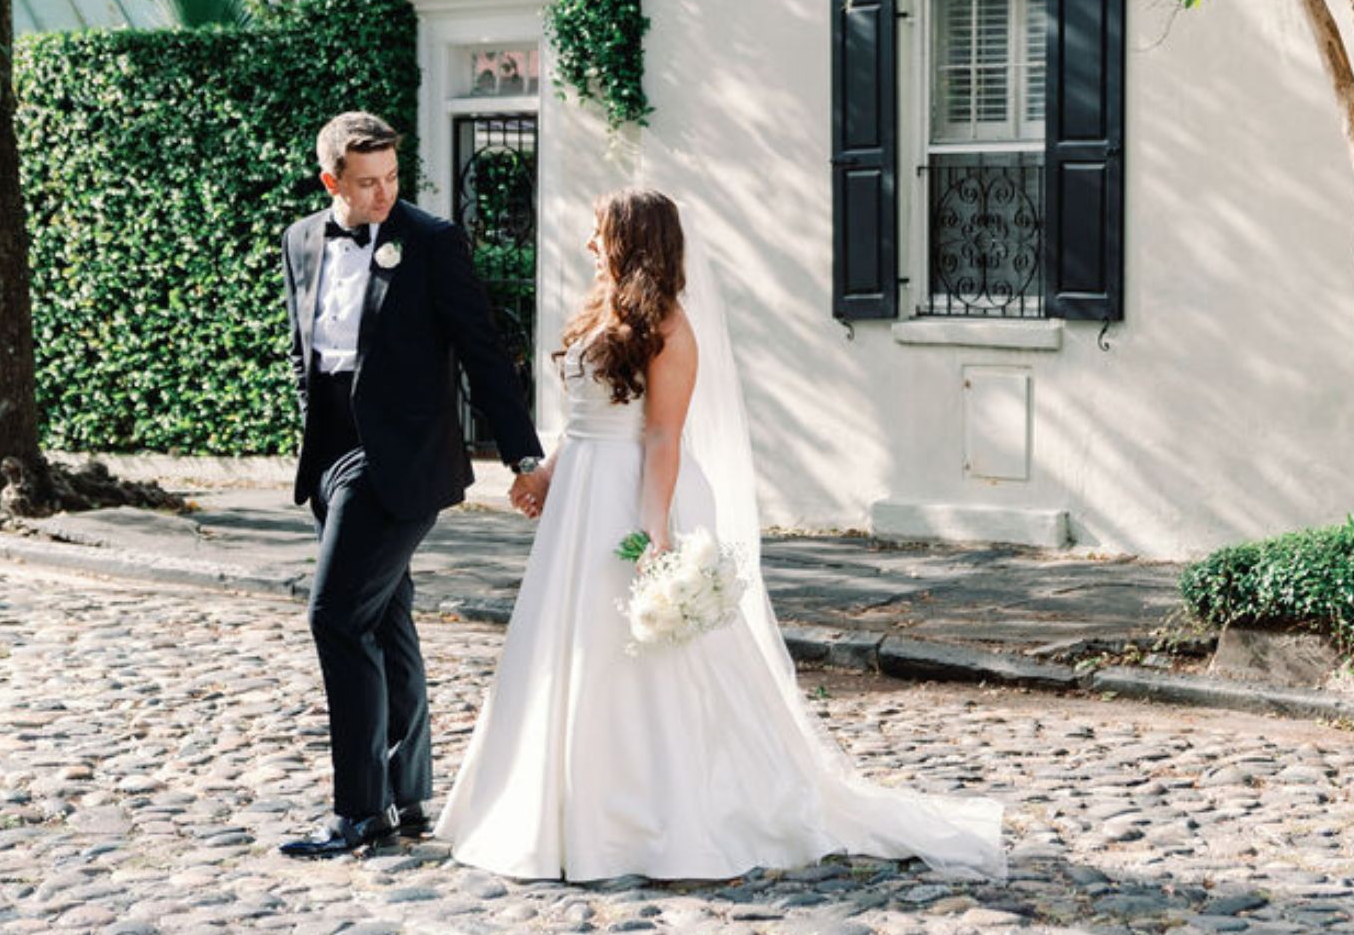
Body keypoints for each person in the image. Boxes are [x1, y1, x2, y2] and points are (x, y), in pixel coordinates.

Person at [435, 187, 1004, 881]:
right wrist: (548, 475)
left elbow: (664, 435)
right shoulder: (600, 310)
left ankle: (651, 814)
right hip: (579, 490)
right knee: (567, 645)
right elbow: (588, 416)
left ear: (632, 241)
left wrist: (655, 532)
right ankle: (555, 810)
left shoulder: (671, 329)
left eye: (598, 233)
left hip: (626, 495)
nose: (588, 245)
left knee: (640, 658)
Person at [277, 111, 546, 859]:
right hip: (329, 452)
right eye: (367, 183)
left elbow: (481, 352)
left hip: (401, 458)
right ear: (331, 179)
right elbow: (306, 347)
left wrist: (524, 457)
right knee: (385, 617)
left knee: (334, 615)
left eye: (393, 177)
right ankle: (406, 792)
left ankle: (360, 810)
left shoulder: (429, 241)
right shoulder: (300, 239)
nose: (384, 193)